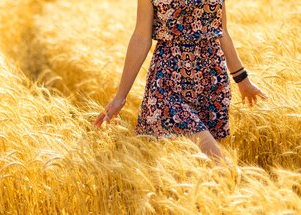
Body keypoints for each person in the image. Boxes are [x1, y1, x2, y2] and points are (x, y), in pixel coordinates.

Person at [93, 0, 268, 164]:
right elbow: (140, 38)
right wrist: (120, 96)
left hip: (212, 83)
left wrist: (242, 80)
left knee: (200, 168)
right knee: (220, 163)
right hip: (168, 83)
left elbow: (222, 32)